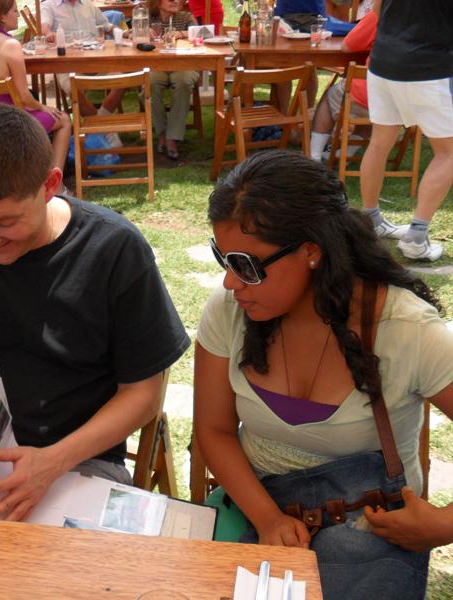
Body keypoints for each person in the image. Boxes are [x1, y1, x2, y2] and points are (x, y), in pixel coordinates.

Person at [0, 103, 189, 522]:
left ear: (50, 185)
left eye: (5, 223)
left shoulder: (114, 250)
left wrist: (54, 461)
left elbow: (143, 393)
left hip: (78, 461)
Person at [194, 150, 453, 599]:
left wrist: (445, 525)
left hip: (368, 531)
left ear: (312, 252)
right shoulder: (230, 311)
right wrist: (268, 518)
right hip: (256, 509)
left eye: (247, 265)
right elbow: (213, 430)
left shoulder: (406, 330)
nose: (231, 283)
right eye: (225, 259)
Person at [359, 0, 453, 261]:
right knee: (448, 153)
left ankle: (370, 220)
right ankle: (416, 237)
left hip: (384, 61)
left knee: (379, 142)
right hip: (430, 65)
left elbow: (376, 9)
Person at [0, 0, 72, 174]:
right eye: (14, 11)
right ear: (2, 16)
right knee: (64, 119)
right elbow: (23, 96)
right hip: (6, 123)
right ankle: (55, 182)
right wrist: (43, 107)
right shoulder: (10, 44)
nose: (18, 14)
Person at [308, 9, 377, 161]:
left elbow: (347, 46)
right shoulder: (432, 18)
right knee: (376, 112)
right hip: (404, 101)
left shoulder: (381, 13)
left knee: (329, 98)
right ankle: (345, 153)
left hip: (371, 94)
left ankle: (314, 155)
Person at [39, 0, 125, 120]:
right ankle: (102, 128)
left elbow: (108, 26)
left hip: (96, 61)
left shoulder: (88, 5)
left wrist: (125, 33)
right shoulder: (49, 5)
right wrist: (48, 33)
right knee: (73, 88)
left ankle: (99, 123)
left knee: (123, 80)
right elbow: (44, 26)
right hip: (68, 66)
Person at [148, 0, 199, 161]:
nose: (176, 1)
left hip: (183, 64)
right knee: (149, 83)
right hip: (157, 65)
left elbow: (202, 33)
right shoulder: (148, 17)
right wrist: (142, 31)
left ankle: (172, 137)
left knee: (183, 82)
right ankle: (162, 133)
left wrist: (181, 34)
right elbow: (127, 33)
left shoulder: (185, 17)